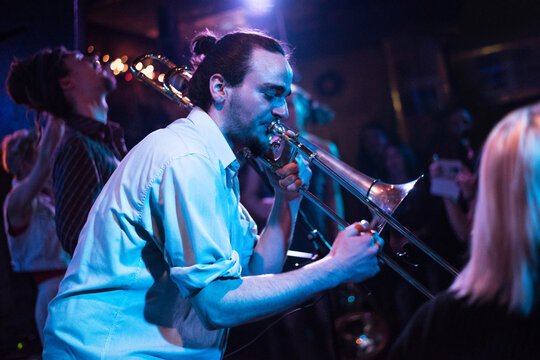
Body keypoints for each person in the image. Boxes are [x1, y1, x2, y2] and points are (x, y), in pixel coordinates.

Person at [42, 30, 383, 359]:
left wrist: (286, 201)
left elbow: (255, 270)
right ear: (219, 88)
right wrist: (335, 267)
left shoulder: (214, 162)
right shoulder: (187, 158)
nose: (282, 111)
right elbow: (216, 304)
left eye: (285, 97)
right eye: (270, 94)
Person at [387, 103, 540, 359]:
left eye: (465, 121)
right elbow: (462, 230)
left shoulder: (440, 323)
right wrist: (452, 193)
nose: (462, 127)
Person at [6, 47, 127, 255]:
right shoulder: (76, 148)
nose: (93, 57)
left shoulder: (100, 142)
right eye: (80, 58)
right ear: (66, 83)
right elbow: (77, 239)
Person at [1, 116, 69, 344]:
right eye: (36, 156)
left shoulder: (46, 198)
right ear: (23, 164)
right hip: (51, 292)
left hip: (67, 284)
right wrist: (53, 116)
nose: (44, 160)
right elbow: (42, 169)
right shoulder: (16, 199)